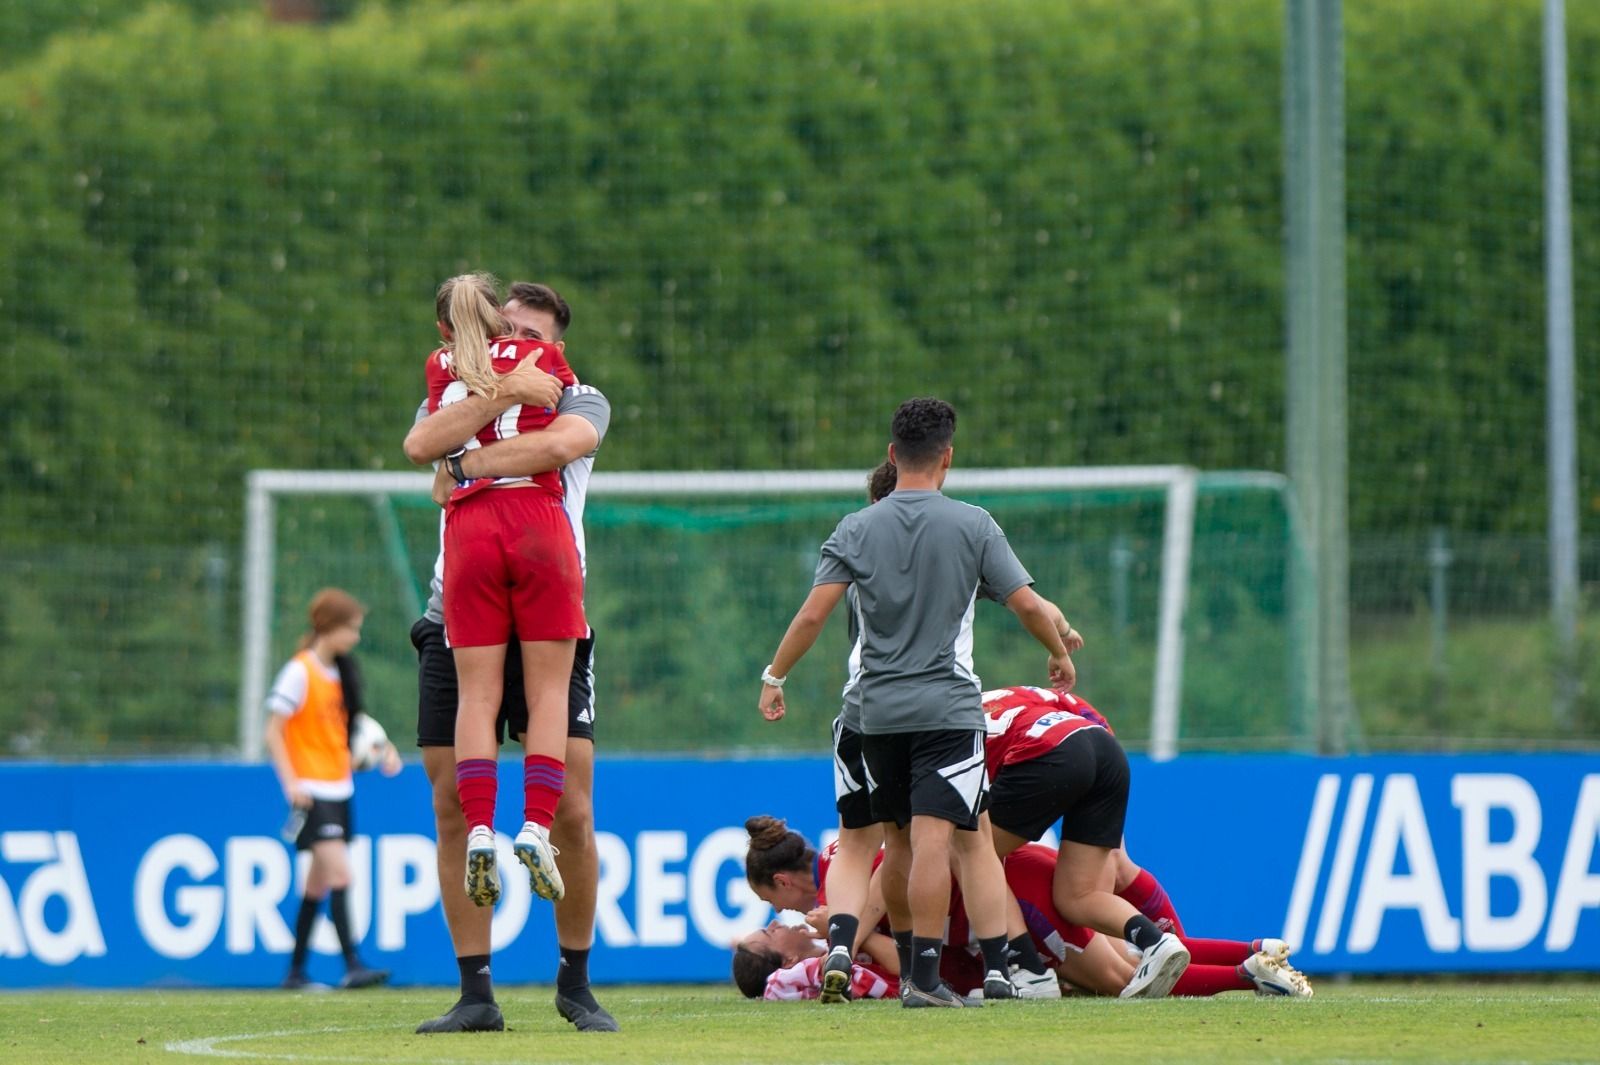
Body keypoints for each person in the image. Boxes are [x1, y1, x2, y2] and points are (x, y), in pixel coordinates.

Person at [757, 397, 1079, 1008]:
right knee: (947, 843)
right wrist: (1057, 652)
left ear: (891, 455)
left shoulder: (855, 527)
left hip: (873, 715)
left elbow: (811, 615)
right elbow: (1028, 605)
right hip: (946, 711)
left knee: (893, 845)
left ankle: (890, 963)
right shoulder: (973, 524)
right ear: (948, 457)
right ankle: (931, 979)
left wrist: (776, 676)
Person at [406, 282, 618, 1034]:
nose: (517, 338)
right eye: (508, 327)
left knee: (574, 808)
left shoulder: (581, 392)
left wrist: (467, 463)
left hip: (550, 607)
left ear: (557, 340)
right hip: (454, 608)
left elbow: (560, 445)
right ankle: (476, 992)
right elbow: (426, 443)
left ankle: (576, 980)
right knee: (450, 807)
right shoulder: (476, 372)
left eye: (532, 331)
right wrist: (497, 394)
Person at [425, 273, 582, 915]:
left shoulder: (438, 366)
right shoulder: (545, 358)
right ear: (499, 320)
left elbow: (424, 447)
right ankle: (536, 826)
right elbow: (560, 414)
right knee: (548, 692)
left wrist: (459, 464)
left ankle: (480, 830)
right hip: (536, 517)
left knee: (477, 695)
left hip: (468, 525)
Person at [980, 677, 1191, 997]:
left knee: (973, 856)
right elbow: (1082, 714)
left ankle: (1027, 968)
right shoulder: (1013, 694)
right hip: (1105, 750)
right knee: (1078, 896)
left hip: (1048, 755)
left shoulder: (938, 725)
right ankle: (1157, 941)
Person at [264, 587, 400, 991]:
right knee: (341, 874)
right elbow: (273, 729)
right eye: (351, 629)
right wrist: (291, 784)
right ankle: (352, 964)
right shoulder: (299, 671)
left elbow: (354, 726)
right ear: (328, 627)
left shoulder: (342, 673)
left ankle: (294, 973)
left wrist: (384, 748)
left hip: (339, 788)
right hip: (311, 790)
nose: (355, 637)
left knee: (317, 884)